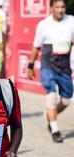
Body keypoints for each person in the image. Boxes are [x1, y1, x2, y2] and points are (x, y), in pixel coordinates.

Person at [27, 0, 74, 143]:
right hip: (48, 66)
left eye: (63, 7)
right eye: (57, 7)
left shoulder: (71, 21)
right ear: (51, 8)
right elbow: (36, 47)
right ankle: (54, 129)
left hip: (64, 67)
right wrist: (30, 65)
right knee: (52, 95)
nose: (60, 10)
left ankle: (50, 113)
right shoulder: (43, 25)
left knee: (66, 100)